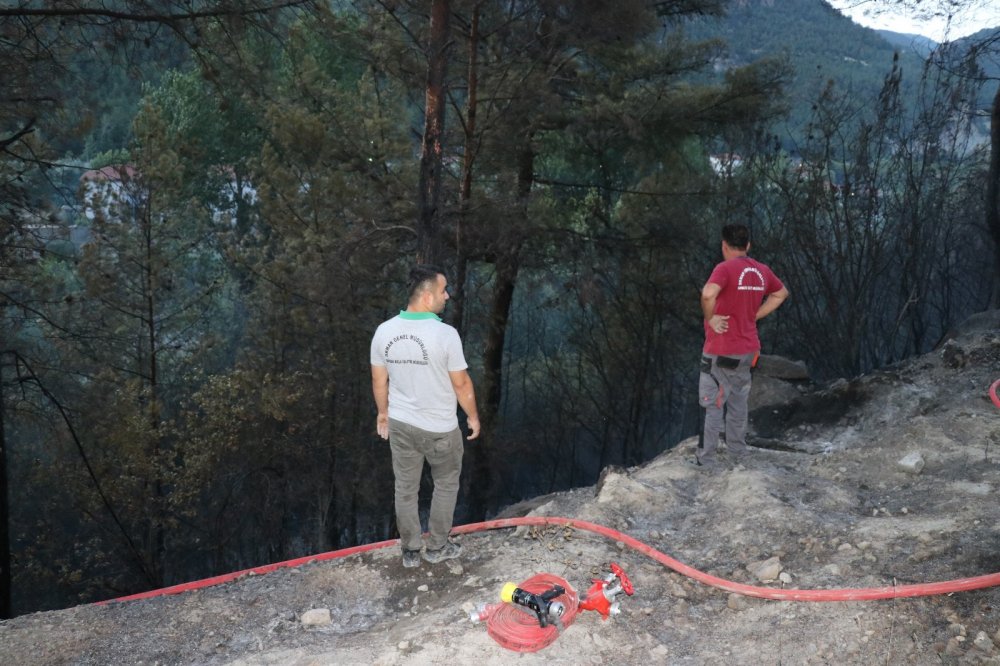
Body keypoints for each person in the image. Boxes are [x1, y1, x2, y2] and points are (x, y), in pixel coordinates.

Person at [370, 264, 481, 567]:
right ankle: (437, 548)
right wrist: (472, 417)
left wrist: (383, 414)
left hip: (402, 425)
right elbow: (461, 383)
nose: (448, 296)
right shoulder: (445, 335)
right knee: (446, 484)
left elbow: (379, 381)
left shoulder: (384, 332)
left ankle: (410, 551)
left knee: (405, 487)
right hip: (440, 429)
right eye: (444, 290)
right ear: (429, 297)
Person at [697, 224, 788, 468]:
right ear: (748, 246)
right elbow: (781, 294)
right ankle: (738, 455)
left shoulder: (724, 269)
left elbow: (707, 294)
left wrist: (711, 318)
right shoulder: (761, 271)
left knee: (713, 403)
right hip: (749, 350)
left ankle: (706, 461)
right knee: (738, 403)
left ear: (724, 245)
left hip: (721, 349)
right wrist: (755, 315)